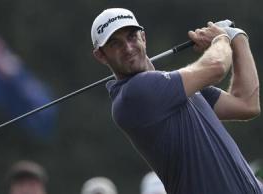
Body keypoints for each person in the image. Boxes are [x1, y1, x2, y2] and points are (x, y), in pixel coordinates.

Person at [91, 8, 262, 194]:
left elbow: (247, 104)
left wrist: (238, 38)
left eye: (132, 36)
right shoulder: (134, 93)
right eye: (115, 44)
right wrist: (221, 39)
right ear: (101, 55)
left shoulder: (174, 87)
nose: (128, 48)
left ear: (143, 37)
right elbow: (217, 67)